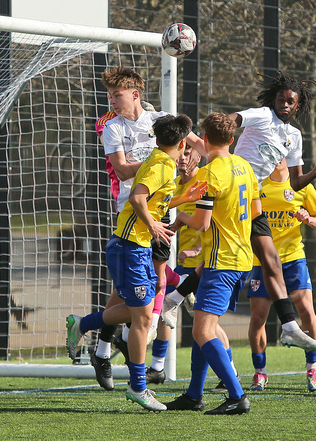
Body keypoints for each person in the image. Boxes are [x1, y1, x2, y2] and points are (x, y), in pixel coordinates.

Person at [161, 70, 316, 352]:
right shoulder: (262, 115)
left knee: (261, 259)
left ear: (298, 105)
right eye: (281, 100)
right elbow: (231, 122)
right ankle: (288, 326)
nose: (285, 105)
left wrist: (314, 172)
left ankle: (173, 299)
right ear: (273, 100)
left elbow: (295, 182)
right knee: (257, 259)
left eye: (291, 102)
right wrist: (204, 138)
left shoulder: (294, 137)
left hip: (250, 196)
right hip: (230, 187)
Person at [66, 114, 207, 411]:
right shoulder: (161, 165)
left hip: (136, 247)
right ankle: (138, 387)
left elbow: (155, 201)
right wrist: (154, 226)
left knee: (137, 313)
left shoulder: (161, 161)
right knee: (142, 319)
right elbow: (137, 198)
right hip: (130, 247)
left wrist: (184, 198)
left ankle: (82, 325)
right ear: (183, 144)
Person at [89, 66, 205, 391]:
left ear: (136, 94)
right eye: (109, 94)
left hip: (162, 210)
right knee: (148, 288)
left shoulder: (162, 120)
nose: (111, 100)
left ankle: (108, 348)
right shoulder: (112, 127)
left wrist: (190, 156)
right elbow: (124, 171)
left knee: (135, 290)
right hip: (134, 213)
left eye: (117, 95)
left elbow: (201, 145)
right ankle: (160, 315)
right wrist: (164, 159)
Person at [164, 112, 258, 414]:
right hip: (241, 257)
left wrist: (179, 219)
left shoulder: (209, 174)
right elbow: (255, 211)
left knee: (202, 331)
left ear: (204, 139)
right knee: (207, 329)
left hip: (223, 260)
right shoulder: (245, 166)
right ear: (232, 140)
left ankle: (237, 396)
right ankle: (193, 395)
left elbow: (202, 223)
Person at [247, 158, 316, 393]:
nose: (274, 157)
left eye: (280, 152)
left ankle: (313, 368)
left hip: (293, 259)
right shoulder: (257, 184)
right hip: (261, 260)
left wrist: (309, 219)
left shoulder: (302, 186)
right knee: (258, 318)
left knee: (306, 311)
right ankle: (260, 372)